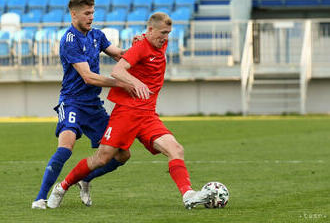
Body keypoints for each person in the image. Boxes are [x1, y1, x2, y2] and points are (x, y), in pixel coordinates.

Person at [47, 12, 217, 210]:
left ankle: (188, 194)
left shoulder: (157, 42)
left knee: (176, 149)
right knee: (103, 158)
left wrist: (144, 37)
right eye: (163, 32)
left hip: (147, 115)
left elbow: (150, 38)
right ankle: (62, 187)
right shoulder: (141, 47)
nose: (166, 37)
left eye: (169, 33)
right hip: (126, 113)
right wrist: (136, 82)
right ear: (151, 30)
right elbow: (117, 71)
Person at [32, 0, 137, 209]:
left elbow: (119, 54)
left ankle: (86, 178)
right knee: (66, 147)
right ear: (74, 14)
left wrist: (137, 49)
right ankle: (40, 198)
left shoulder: (97, 35)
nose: (91, 17)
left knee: (122, 154)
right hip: (72, 102)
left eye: (93, 13)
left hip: (93, 106)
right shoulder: (69, 40)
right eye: (87, 13)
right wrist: (121, 83)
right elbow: (88, 77)